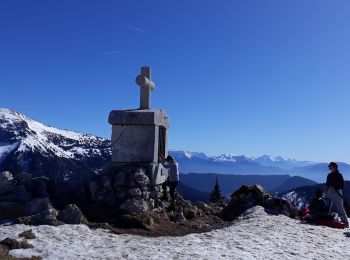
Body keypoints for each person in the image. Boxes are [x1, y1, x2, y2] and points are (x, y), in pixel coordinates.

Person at [323, 162, 349, 227]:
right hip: (329, 191)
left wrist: (335, 189)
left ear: (334, 167)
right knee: (328, 206)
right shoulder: (330, 175)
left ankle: (345, 223)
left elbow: (342, 185)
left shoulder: (339, 175)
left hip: (336, 192)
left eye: (330, 166)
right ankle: (330, 219)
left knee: (339, 207)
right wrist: (324, 192)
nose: (329, 167)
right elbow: (327, 184)